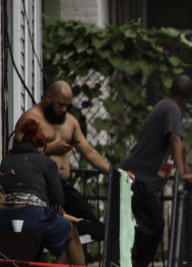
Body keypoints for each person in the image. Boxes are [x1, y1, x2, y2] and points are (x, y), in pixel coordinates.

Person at [15, 81, 127, 242]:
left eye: (67, 105)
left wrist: (117, 174)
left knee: (96, 228)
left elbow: (89, 152)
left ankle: (62, 263)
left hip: (63, 186)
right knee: (57, 226)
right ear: (49, 97)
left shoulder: (70, 122)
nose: (63, 109)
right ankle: (56, 262)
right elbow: (19, 154)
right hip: (41, 186)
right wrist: (52, 148)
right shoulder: (31, 119)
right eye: (60, 104)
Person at [0, 118, 89, 267]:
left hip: (2, 221)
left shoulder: (6, 160)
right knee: (70, 231)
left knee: (36, 239)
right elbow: (59, 200)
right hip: (32, 218)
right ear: (42, 148)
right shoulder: (46, 162)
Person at [122, 75, 192, 267]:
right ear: (187, 97)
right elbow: (175, 138)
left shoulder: (163, 106)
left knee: (144, 227)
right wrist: (183, 174)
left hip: (139, 176)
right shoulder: (173, 110)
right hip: (142, 179)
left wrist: (183, 165)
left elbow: (178, 143)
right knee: (153, 227)